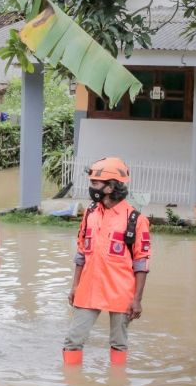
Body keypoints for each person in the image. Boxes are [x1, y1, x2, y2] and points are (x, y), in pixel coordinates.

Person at [63, 157, 150, 366]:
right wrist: (75, 285)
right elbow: (81, 253)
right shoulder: (90, 214)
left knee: (118, 343)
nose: (91, 187)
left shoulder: (136, 220)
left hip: (121, 291)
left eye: (95, 183)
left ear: (110, 187)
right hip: (89, 287)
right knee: (73, 340)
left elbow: (141, 263)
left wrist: (137, 299)